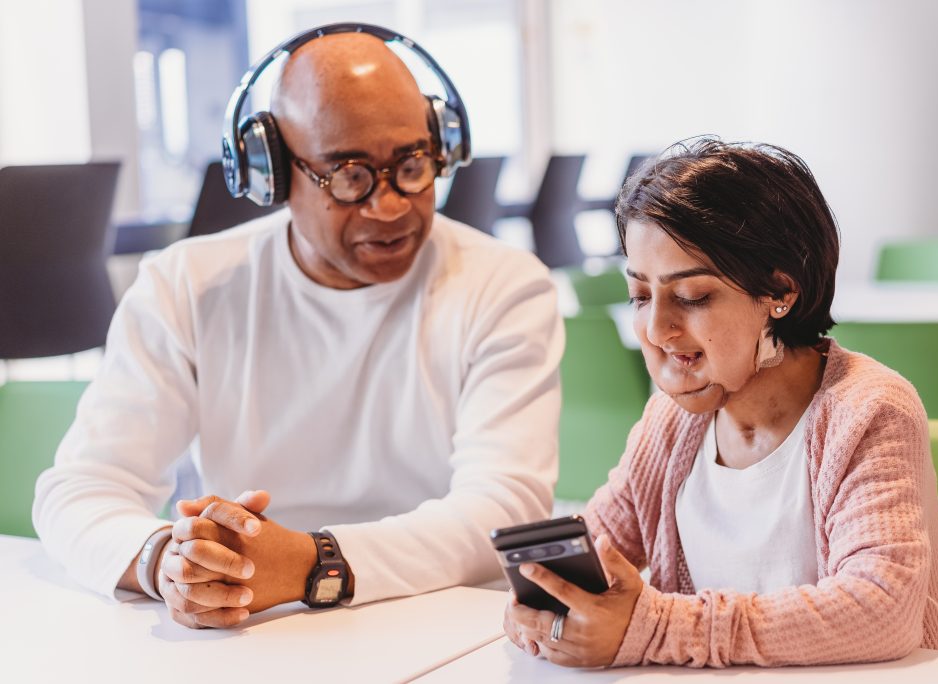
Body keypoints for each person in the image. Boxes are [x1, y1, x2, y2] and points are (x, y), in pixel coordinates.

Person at [33, 26, 563, 629]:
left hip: (445, 623)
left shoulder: (505, 283)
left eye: (412, 165)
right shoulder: (186, 284)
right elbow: (79, 488)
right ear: (274, 173)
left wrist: (315, 564)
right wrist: (170, 563)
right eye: (349, 175)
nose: (389, 206)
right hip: (253, 635)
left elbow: (505, 507)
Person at [504, 138, 938, 667]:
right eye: (640, 295)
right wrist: (543, 603)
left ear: (780, 292)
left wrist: (656, 628)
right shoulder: (671, 422)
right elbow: (597, 551)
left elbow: (880, 609)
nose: (657, 328)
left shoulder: (868, 409)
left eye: (692, 296)